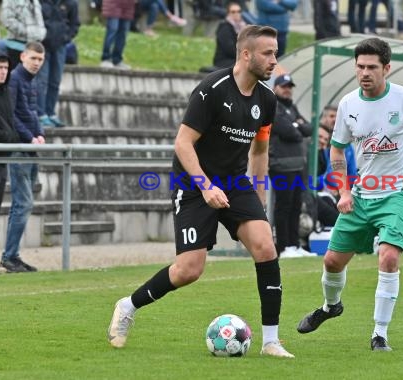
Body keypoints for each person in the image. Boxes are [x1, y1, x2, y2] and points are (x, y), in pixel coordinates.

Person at [107, 25, 295, 358]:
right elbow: (182, 143)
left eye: (275, 53)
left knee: (266, 247)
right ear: (246, 54)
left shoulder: (266, 99)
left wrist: (260, 195)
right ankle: (128, 305)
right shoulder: (212, 89)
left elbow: (260, 150)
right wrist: (205, 186)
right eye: (268, 53)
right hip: (194, 184)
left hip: (235, 183)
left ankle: (270, 341)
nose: (274, 61)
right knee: (189, 270)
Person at [296, 37, 403, 351]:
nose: (365, 73)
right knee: (331, 261)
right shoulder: (347, 104)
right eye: (360, 67)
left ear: (386, 67)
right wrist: (344, 190)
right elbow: (337, 149)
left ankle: (379, 334)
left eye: (372, 67)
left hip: (398, 194)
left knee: (388, 257)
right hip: (361, 196)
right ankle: (331, 307)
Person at [1, 41, 46, 273]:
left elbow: (33, 113)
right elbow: (13, 115)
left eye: (40, 59)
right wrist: (31, 137)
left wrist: (39, 135)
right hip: (20, 147)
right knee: (23, 203)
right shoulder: (15, 79)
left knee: (22, 203)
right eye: (33, 59)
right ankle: (9, 256)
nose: (37, 63)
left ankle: (11, 255)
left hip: (30, 146)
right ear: (22, 57)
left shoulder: (31, 80)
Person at [269, 73, 313, 258]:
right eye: (284, 86)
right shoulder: (272, 106)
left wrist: (296, 126)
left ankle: (295, 245)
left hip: (297, 165)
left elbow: (309, 128)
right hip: (280, 165)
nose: (287, 90)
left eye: (290, 86)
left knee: (296, 205)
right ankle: (283, 246)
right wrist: (296, 126)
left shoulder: (291, 107)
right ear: (275, 88)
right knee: (283, 205)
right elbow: (287, 131)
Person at [36, 0, 80, 128]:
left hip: (60, 47)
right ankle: (40, 114)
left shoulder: (71, 3)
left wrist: (66, 38)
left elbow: (75, 24)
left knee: (55, 81)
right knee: (41, 81)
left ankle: (50, 113)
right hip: (42, 46)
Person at [0, 49, 19, 247]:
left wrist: (14, 136)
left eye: (6, 68)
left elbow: (11, 121)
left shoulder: (6, 92)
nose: (3, 72)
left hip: (2, 160)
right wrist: (5, 136)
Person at [0, 0, 46, 68]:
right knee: (16, 76)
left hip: (34, 46)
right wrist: (29, 32)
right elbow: (8, 21)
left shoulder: (35, 1)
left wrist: (42, 33)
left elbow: (40, 21)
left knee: (30, 77)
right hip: (16, 47)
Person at [100, 0, 135, 69]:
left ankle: (117, 59)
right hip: (113, 4)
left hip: (128, 6)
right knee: (112, 30)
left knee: (123, 33)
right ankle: (106, 58)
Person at [212, 1, 245, 69]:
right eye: (233, 12)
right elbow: (230, 50)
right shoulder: (224, 28)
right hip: (224, 61)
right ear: (228, 13)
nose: (236, 14)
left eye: (239, 11)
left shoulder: (243, 27)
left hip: (237, 58)